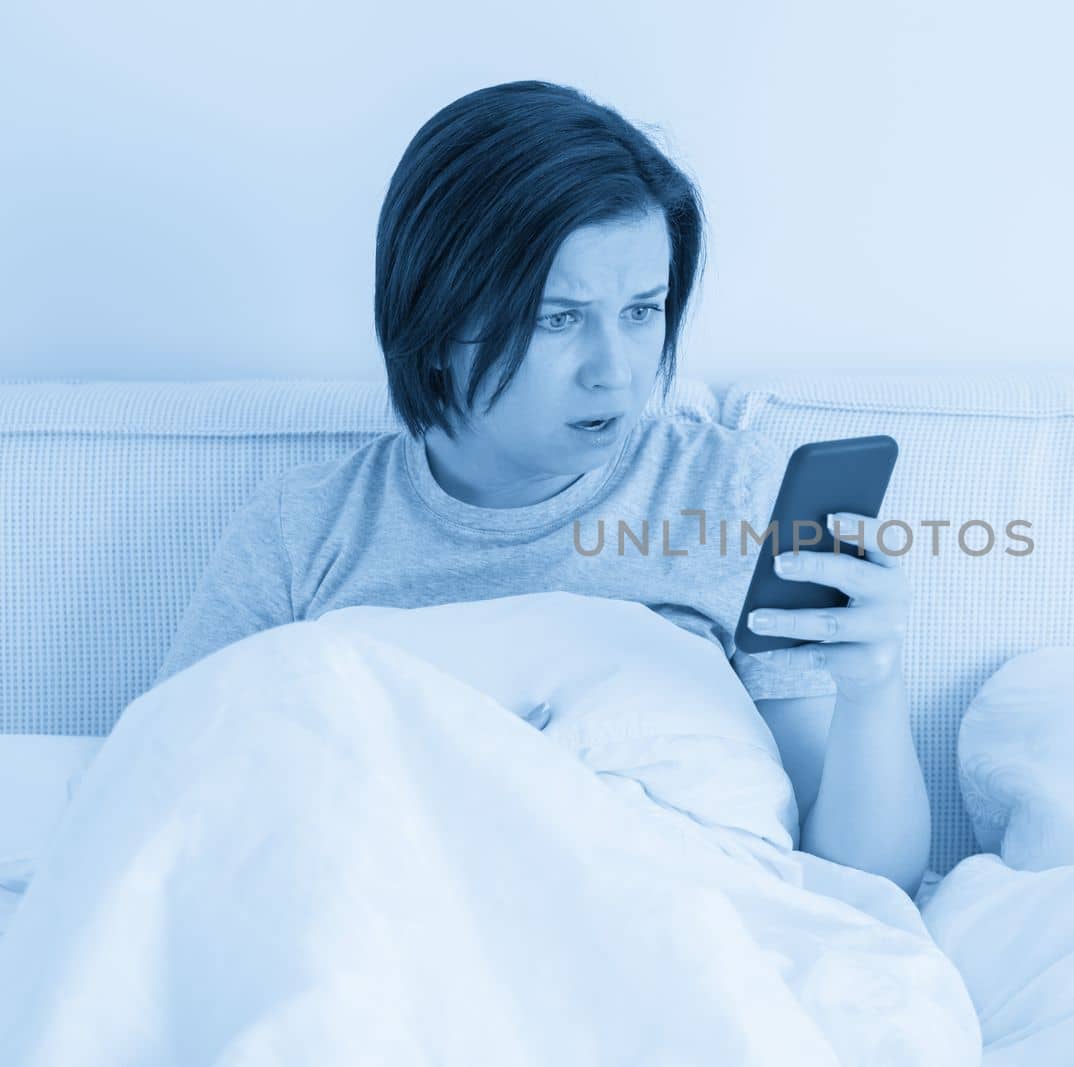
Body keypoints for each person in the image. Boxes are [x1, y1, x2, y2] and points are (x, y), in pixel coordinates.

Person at [153, 80, 931, 898]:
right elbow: (167, 804)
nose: (616, 372)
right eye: (558, 318)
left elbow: (860, 883)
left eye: (642, 311)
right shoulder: (303, 531)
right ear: (434, 314)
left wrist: (871, 689)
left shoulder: (729, 494)